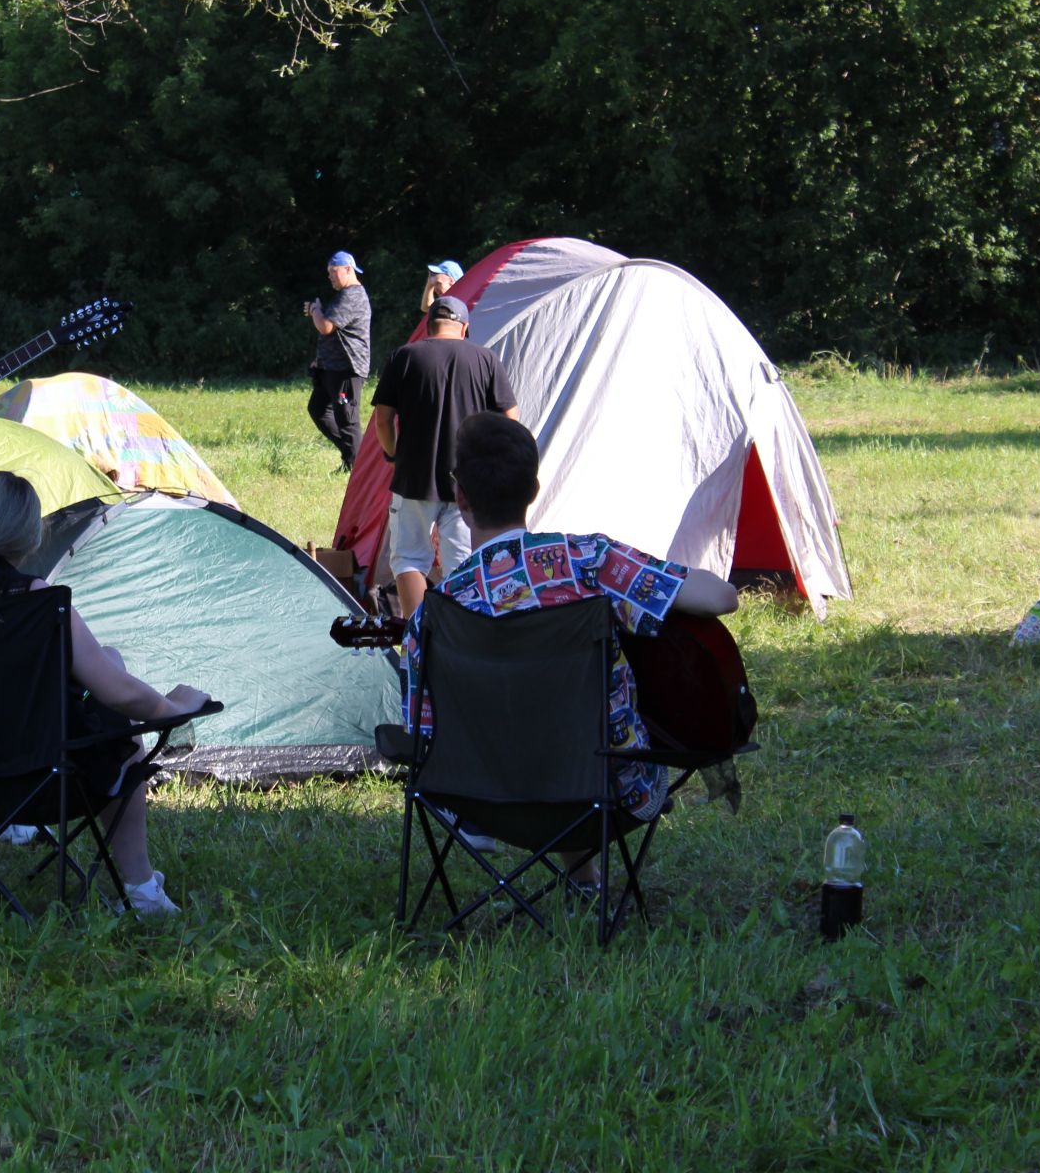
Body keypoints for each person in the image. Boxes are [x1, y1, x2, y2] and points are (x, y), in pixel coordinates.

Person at [405, 413, 739, 859]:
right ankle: (585, 880)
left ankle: (581, 878)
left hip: (480, 801)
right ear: (534, 491)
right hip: (605, 794)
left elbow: (421, 735)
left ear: (460, 497)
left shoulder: (432, 611)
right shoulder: (587, 560)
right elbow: (720, 598)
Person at [0, 472, 211, 916]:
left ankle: (142, 890)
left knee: (110, 661)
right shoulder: (40, 602)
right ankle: (143, 891)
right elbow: (119, 694)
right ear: (32, 534)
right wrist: (175, 707)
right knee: (118, 736)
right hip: (45, 783)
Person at [370, 295, 519, 619]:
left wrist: (393, 454)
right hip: (468, 481)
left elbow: (383, 420)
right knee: (462, 561)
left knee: (409, 558)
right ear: (464, 327)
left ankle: (418, 637)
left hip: (413, 479)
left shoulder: (405, 356)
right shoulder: (485, 359)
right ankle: (460, 635)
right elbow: (510, 418)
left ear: (428, 325)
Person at [303, 250, 372, 472]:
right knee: (318, 409)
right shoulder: (343, 295)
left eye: (334, 272)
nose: (330, 276)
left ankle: (358, 468)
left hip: (347, 369)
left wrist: (315, 310)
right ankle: (352, 455)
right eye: (329, 272)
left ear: (348, 270)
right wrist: (319, 360)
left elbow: (325, 326)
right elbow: (333, 333)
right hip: (331, 368)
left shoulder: (352, 295)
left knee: (347, 420)